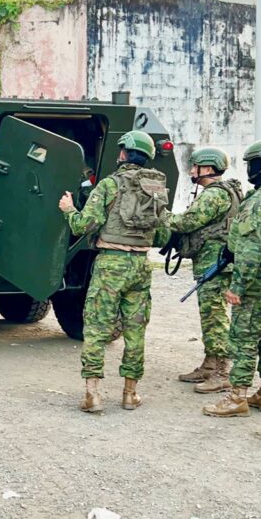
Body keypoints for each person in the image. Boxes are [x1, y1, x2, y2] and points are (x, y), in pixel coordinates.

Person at [58, 130, 169, 413]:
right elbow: (163, 235)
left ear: (123, 154)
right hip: (142, 265)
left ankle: (92, 395)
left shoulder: (111, 184)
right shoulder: (157, 188)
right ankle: (130, 393)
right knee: (135, 330)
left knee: (96, 328)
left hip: (111, 263)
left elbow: (84, 225)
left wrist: (69, 209)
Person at [203, 139, 261, 418]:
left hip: (256, 276)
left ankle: (237, 397)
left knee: (243, 337)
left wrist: (238, 286)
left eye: (252, 163)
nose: (248, 168)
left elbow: (250, 246)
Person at [169, 147, 243, 393]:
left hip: (215, 265)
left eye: (195, 167)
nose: (191, 171)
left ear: (208, 168)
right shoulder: (226, 192)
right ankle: (210, 364)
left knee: (215, 318)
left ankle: (223, 371)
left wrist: (163, 218)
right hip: (214, 264)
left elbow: (189, 221)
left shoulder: (214, 195)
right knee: (210, 316)